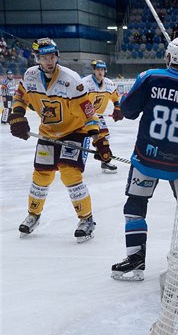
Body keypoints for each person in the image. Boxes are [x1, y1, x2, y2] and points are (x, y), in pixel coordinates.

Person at [111, 37, 178, 281]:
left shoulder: (149, 77)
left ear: (169, 56)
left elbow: (127, 111)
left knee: (135, 207)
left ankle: (135, 262)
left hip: (145, 159)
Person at [7, 38, 110, 242]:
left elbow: (89, 113)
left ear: (57, 56)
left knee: (70, 174)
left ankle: (86, 218)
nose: (49, 61)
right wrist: (17, 115)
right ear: (37, 58)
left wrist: (100, 141)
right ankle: (33, 214)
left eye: (52, 56)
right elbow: (20, 96)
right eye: (44, 57)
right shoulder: (30, 76)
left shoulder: (72, 80)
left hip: (75, 131)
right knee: (41, 175)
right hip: (47, 132)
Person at [81, 60, 123, 173]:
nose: (100, 72)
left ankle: (105, 161)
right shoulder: (85, 83)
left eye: (102, 70)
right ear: (94, 70)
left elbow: (115, 98)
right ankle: (76, 164)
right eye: (98, 69)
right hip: (82, 116)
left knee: (103, 137)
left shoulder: (109, 83)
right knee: (81, 138)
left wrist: (117, 108)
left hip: (98, 116)